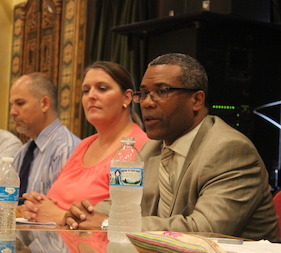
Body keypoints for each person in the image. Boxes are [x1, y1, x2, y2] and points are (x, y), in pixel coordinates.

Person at [62, 53, 280, 242]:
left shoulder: (230, 150)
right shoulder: (151, 148)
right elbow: (121, 202)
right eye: (144, 93)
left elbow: (204, 230)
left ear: (196, 100)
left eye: (162, 91)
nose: (147, 102)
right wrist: (84, 216)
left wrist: (110, 224)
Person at [20, 61, 149, 225]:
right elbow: (56, 201)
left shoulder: (139, 148)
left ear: (127, 97)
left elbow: (123, 217)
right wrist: (36, 208)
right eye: (86, 91)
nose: (91, 96)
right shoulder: (84, 145)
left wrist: (60, 217)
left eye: (102, 89)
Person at [9, 73, 81, 198]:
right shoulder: (22, 153)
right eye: (12, 105)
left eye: (20, 103)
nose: (12, 112)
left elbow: (63, 207)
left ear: (44, 104)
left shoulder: (65, 149)